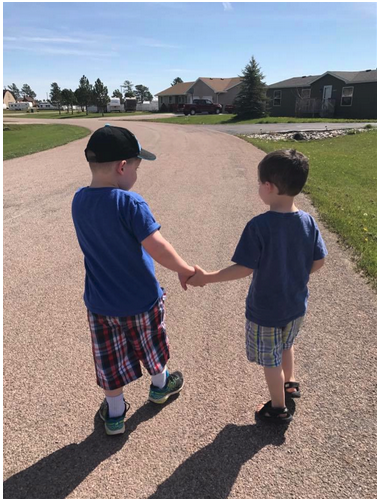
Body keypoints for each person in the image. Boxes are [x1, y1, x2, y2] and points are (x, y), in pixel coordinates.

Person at [188, 149, 327, 424]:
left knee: (270, 359)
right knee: (287, 344)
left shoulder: (259, 226)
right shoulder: (308, 222)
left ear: (268, 187)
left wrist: (208, 277)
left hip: (266, 310)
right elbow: (319, 260)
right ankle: (291, 383)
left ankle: (277, 408)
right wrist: (296, 274)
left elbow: (244, 267)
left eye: (259, 184)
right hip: (296, 305)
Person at [72, 125, 194, 435]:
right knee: (150, 345)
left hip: (100, 304)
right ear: (122, 167)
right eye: (136, 168)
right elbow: (157, 247)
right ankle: (160, 385)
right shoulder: (130, 203)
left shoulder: (79, 201)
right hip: (141, 300)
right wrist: (183, 267)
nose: (136, 176)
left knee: (109, 361)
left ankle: (114, 415)